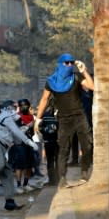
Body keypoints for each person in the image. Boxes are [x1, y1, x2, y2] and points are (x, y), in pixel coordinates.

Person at [35, 53, 94, 188]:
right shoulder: (51, 81)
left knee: (87, 145)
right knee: (63, 149)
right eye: (66, 63)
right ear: (60, 64)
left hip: (79, 116)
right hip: (63, 119)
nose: (69, 65)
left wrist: (83, 70)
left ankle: (84, 173)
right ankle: (62, 178)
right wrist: (38, 119)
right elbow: (44, 99)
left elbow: (92, 87)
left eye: (71, 63)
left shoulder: (76, 77)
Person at [10, 98, 37, 193]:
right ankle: (18, 185)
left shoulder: (31, 117)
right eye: (23, 106)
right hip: (19, 144)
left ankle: (25, 184)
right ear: (20, 107)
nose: (24, 107)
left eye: (26, 105)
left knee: (29, 165)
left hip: (29, 143)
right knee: (19, 166)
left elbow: (33, 132)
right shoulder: (16, 117)